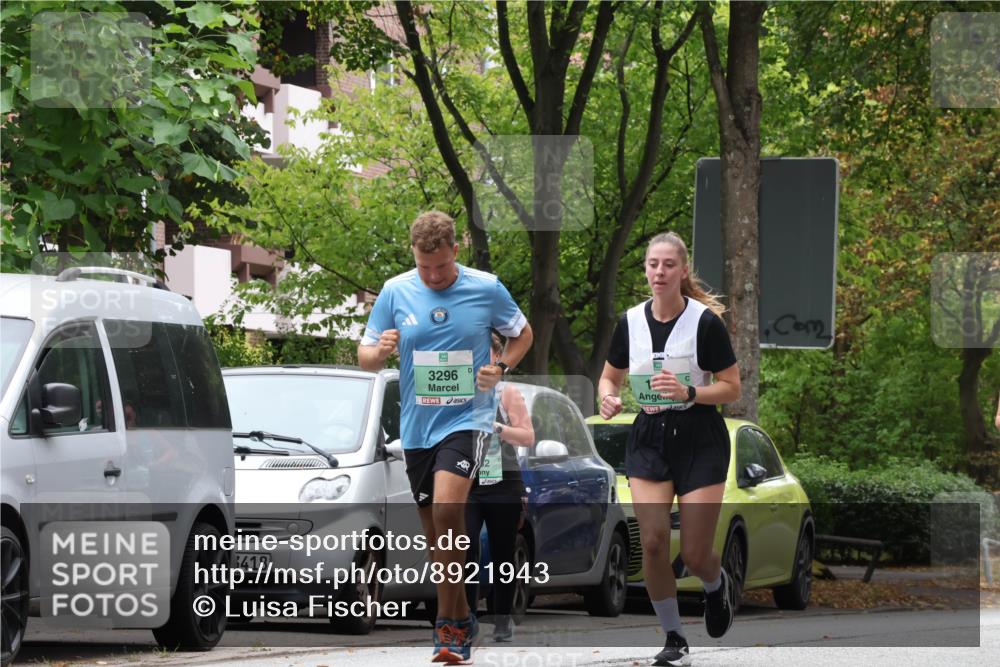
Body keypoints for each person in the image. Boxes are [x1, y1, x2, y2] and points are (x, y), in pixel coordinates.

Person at [358, 211, 532, 664]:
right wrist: (380, 351)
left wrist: (501, 368)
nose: (433, 276)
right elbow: (365, 358)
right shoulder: (396, 291)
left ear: (456, 251)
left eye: (441, 266)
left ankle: (449, 624)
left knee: (451, 506)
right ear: (413, 256)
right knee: (437, 534)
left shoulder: (486, 287)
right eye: (424, 266)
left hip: (468, 419)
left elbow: (523, 334)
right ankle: (461, 616)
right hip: (418, 427)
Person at [597, 231, 741, 666]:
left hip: (700, 438)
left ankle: (717, 586)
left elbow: (732, 387)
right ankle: (674, 637)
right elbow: (609, 377)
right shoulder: (630, 322)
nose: (659, 272)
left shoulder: (704, 324)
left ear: (682, 271)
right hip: (650, 438)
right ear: (645, 269)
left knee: (695, 554)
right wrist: (607, 397)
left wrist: (690, 393)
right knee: (655, 544)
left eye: (668, 265)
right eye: (652, 264)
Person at [464, 333, 535, 643]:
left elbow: (528, 436)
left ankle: (503, 617)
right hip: (467, 480)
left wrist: (497, 428)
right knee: (464, 547)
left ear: (497, 358)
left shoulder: (507, 393)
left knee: (503, 552)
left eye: (486, 356)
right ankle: (467, 615)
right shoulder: (458, 390)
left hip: (503, 482)